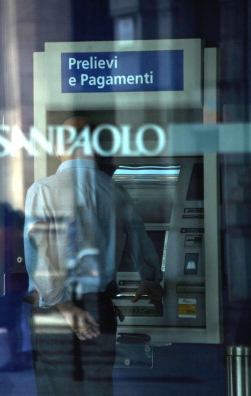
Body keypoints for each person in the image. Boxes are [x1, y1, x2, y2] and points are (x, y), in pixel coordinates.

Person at [24, 118, 164, 396]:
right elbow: (140, 240)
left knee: (58, 389)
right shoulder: (116, 192)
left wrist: (63, 306)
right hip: (100, 307)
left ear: (57, 147)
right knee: (97, 389)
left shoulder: (43, 189)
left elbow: (37, 252)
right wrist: (150, 280)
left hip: (57, 312)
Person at [0, 203, 31, 372]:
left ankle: (15, 360)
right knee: (15, 325)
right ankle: (18, 358)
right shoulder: (15, 234)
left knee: (10, 326)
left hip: (8, 286)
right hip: (15, 285)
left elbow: (1, 263)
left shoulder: (5, 236)